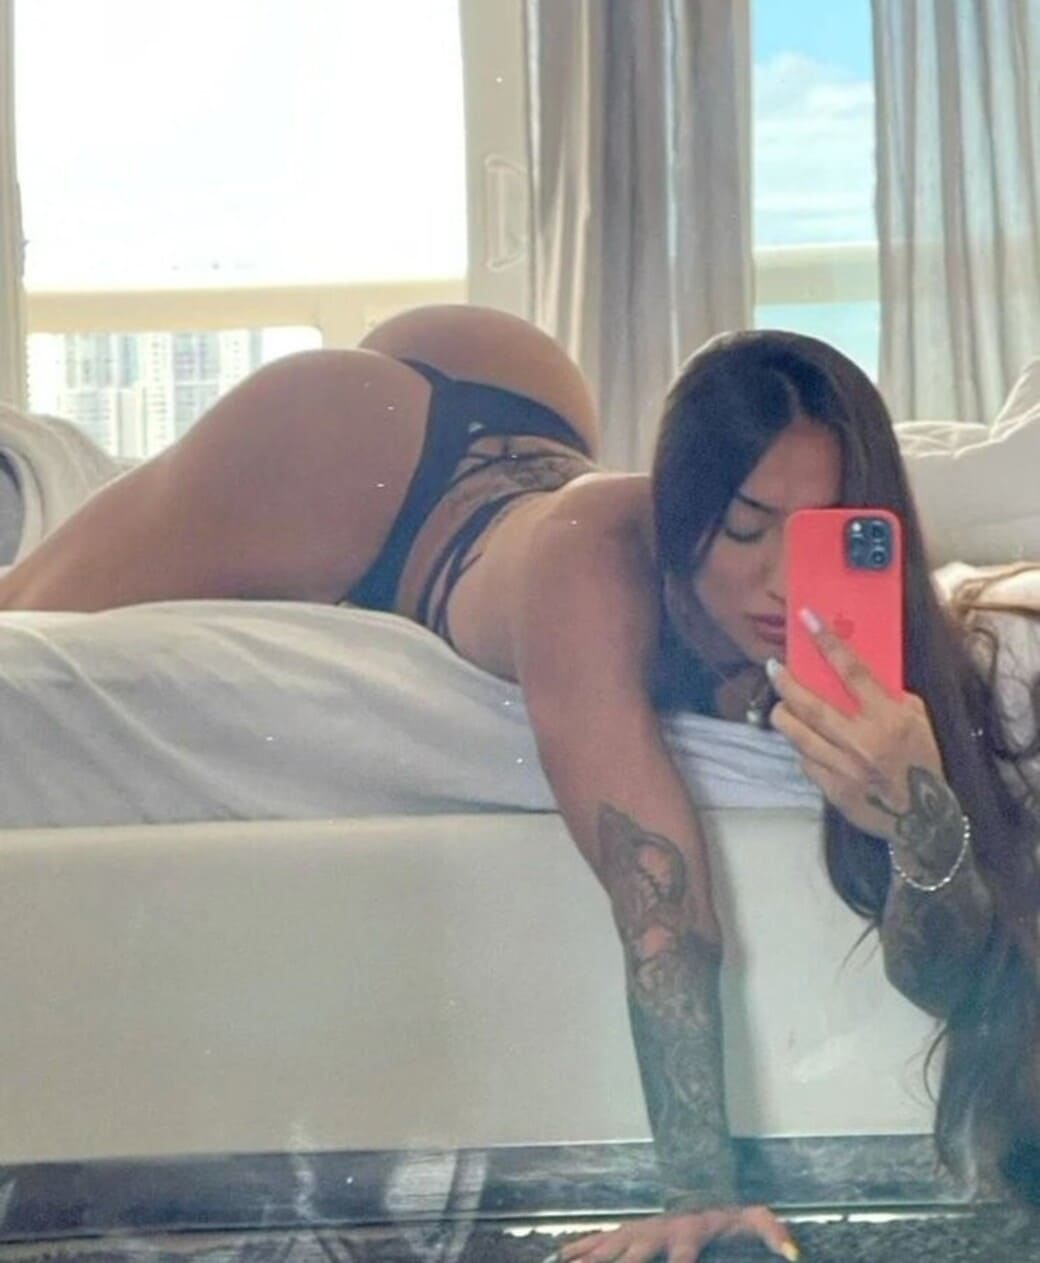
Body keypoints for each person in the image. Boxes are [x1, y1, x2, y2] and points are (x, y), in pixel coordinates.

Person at [1, 305, 1037, 1261]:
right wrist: (697, 1192)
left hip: (526, 385)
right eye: (741, 526)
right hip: (348, 463)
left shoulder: (887, 641)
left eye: (818, 529)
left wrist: (922, 809)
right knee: (26, 603)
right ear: (679, 512)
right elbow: (659, 906)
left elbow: (949, 975)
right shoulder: (590, 564)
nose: (779, 581)